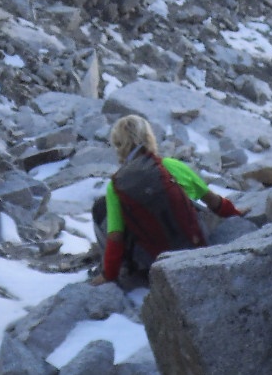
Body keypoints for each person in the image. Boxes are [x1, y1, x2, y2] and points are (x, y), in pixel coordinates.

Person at [91, 115, 243, 284]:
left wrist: (108, 275)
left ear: (118, 146)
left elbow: (115, 237)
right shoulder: (172, 165)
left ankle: (126, 269)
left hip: (156, 262)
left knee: (101, 208)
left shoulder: (116, 186)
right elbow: (213, 202)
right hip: (197, 247)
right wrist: (236, 213)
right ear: (149, 138)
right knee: (189, 200)